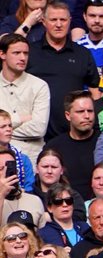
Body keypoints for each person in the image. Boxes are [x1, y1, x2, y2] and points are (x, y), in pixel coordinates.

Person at [26, 2, 100, 141]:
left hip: (75, 136)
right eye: (53, 20)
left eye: (63, 20)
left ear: (70, 21)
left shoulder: (82, 54)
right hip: (35, 136)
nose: (58, 24)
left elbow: (95, 93)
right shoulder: (30, 52)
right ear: (43, 22)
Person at [0, 33, 50, 164]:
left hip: (31, 157)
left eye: (25, 53)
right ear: (2, 54)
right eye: (16, 53)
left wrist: (3, 129)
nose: (23, 58)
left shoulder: (39, 86)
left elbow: (39, 128)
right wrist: (20, 119)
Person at [44, 91, 99, 200]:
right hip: (65, 206)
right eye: (80, 111)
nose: (87, 116)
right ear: (68, 115)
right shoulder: (54, 147)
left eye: (90, 111)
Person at [0, 148, 45, 227]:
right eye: (1, 168)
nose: (7, 171)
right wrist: (1, 194)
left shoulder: (34, 201)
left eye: (10, 166)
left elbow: (42, 237)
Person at [38, 183, 89, 248]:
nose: (65, 205)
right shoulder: (44, 234)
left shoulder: (85, 227)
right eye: (58, 201)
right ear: (49, 208)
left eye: (68, 200)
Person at [0, 109, 35, 192]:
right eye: (3, 126)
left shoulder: (23, 159)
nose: (8, 129)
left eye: (10, 125)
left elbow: (29, 188)